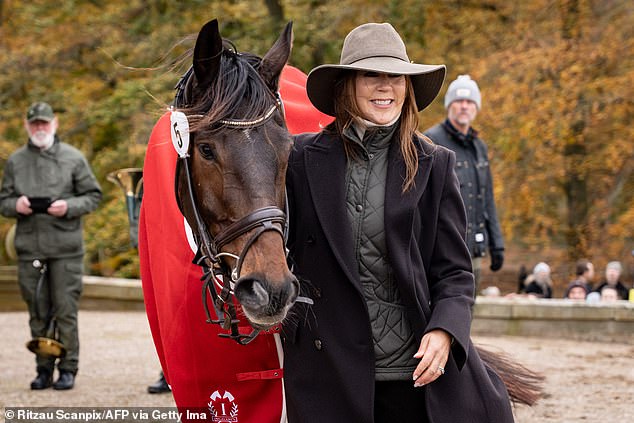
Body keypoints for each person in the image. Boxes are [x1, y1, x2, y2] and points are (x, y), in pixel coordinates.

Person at [283, 22, 514, 422]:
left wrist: (445, 331)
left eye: (396, 76)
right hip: (327, 373)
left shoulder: (434, 164)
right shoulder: (301, 159)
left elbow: (455, 274)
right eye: (372, 74)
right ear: (346, 84)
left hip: (412, 376)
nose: (385, 86)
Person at [0, 102, 102, 390]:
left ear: (54, 124)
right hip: (29, 248)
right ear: (27, 126)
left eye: (44, 123)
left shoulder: (73, 158)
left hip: (66, 249)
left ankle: (68, 368)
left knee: (65, 310)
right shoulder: (16, 161)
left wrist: (68, 206)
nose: (40, 128)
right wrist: (16, 205)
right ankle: (43, 369)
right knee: (37, 311)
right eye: (35, 124)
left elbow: (93, 196)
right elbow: (3, 201)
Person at [423, 75, 504, 291]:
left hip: (474, 248)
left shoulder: (479, 148)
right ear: (449, 105)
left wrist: (497, 244)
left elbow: (486, 198)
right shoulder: (431, 141)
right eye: (459, 101)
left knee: (467, 309)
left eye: (469, 102)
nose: (464, 107)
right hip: (442, 248)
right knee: (444, 308)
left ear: (476, 107)